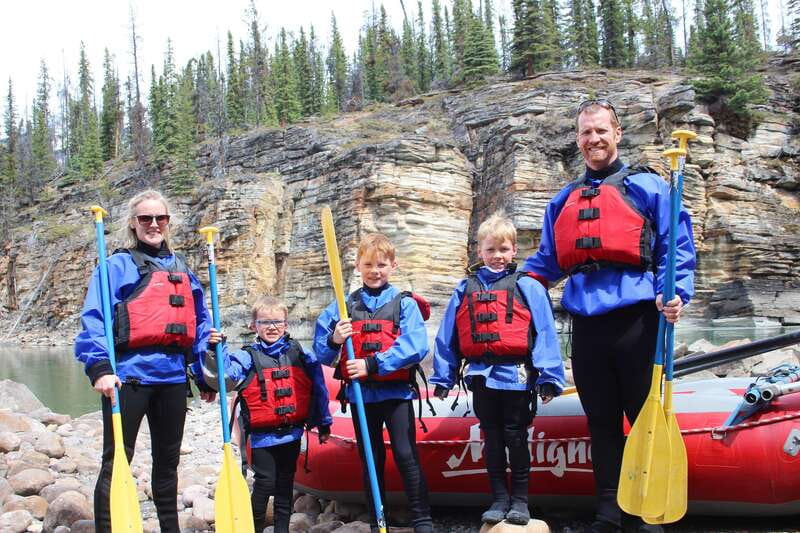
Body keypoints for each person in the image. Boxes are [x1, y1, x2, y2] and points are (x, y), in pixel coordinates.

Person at [522, 100, 696, 533]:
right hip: (588, 327)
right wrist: (505, 282)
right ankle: (609, 512)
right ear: (577, 139)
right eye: (585, 132)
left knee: (643, 416)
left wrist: (673, 294)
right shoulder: (563, 200)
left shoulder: (650, 188)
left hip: (639, 321)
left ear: (617, 134)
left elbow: (675, 249)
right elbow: (546, 261)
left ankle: (648, 512)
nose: (593, 139)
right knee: (600, 421)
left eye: (601, 130)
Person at [75, 189, 215, 532]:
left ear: (168, 223)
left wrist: (203, 375)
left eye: (160, 218)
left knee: (167, 465)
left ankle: (170, 528)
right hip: (128, 380)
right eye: (146, 219)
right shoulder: (115, 267)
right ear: (133, 224)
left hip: (171, 381)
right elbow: (94, 320)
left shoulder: (182, 268)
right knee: (116, 461)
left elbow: (199, 323)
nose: (154, 224)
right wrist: (100, 369)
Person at [430, 211, 566, 526]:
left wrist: (548, 378)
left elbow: (545, 332)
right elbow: (447, 335)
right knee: (491, 438)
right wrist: (443, 377)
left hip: (516, 378)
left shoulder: (528, 287)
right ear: (479, 252)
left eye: (503, 250)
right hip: (481, 376)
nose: (497, 256)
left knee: (516, 437)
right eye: (490, 250)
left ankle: (520, 500)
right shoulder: (464, 288)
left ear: (513, 250)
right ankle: (499, 498)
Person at [313, 233, 433, 533]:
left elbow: (416, 345)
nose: (374, 270)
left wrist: (371, 364)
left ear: (393, 266)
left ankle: (421, 518)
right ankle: (376, 515)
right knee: (371, 455)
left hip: (395, 393)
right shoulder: (344, 305)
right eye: (368, 264)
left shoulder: (404, 304)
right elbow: (322, 352)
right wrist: (335, 338)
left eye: (381, 264)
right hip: (361, 396)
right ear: (358, 265)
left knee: (406, 454)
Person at [203, 295, 332, 532]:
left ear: (286, 325)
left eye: (277, 322)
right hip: (261, 438)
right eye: (264, 322)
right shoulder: (246, 356)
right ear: (254, 326)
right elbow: (227, 376)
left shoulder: (300, 354)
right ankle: (254, 526)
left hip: (292, 434)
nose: (271, 327)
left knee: (285, 487)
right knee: (264, 484)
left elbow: (319, 389)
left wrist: (324, 423)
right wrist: (217, 348)